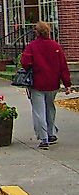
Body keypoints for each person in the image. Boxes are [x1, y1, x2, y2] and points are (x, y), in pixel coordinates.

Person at [20, 21, 72, 149]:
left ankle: (44, 138)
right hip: (53, 83)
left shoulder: (32, 46)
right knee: (50, 108)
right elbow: (63, 66)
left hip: (37, 83)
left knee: (39, 111)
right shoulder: (56, 46)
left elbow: (25, 62)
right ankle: (51, 133)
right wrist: (67, 84)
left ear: (37, 32)